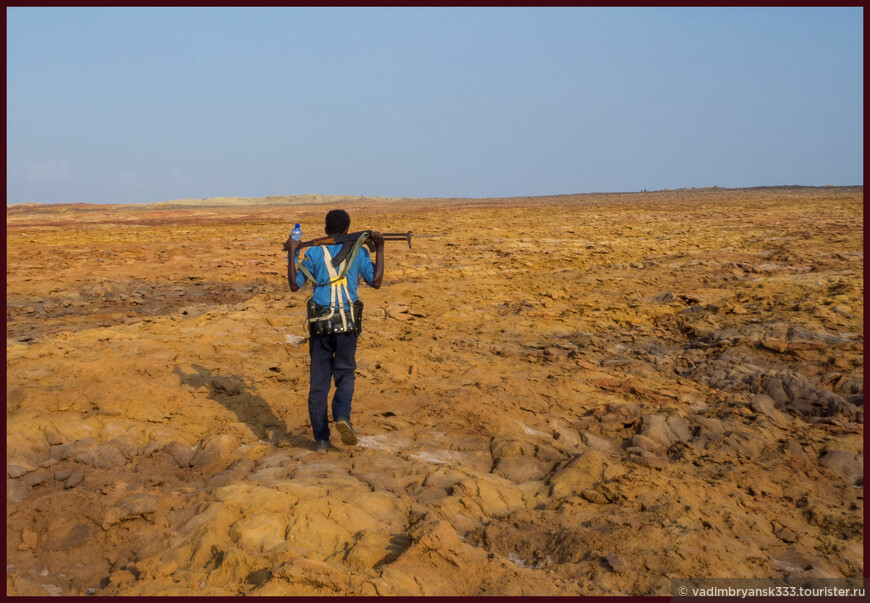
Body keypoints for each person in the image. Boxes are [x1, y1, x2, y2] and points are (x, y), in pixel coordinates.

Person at [285, 209, 384, 452]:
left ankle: (321, 440)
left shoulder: (314, 252)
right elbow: (377, 281)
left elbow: (294, 285)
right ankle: (341, 416)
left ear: (326, 229)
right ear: (348, 230)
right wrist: (380, 248)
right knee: (346, 373)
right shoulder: (359, 252)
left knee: (319, 383)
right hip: (348, 325)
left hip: (320, 326)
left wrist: (291, 252)